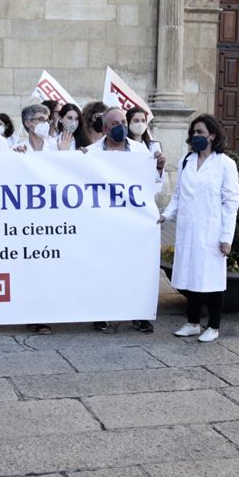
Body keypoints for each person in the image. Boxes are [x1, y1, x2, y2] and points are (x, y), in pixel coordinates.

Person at [86, 107, 167, 333]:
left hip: (133, 223)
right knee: (103, 268)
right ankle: (101, 313)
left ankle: (138, 314)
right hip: (104, 223)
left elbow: (155, 188)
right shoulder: (90, 153)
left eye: (123, 121)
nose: (120, 126)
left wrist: (158, 168)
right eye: (114, 123)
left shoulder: (142, 152)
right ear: (104, 128)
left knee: (135, 269)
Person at [160, 114, 239, 343]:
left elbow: (231, 203)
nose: (195, 136)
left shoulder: (225, 164)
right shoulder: (187, 160)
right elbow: (178, 196)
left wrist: (227, 238)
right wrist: (165, 215)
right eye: (193, 132)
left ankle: (214, 326)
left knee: (212, 280)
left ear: (212, 136)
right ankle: (193, 322)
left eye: (200, 133)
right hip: (188, 230)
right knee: (190, 276)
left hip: (212, 231)